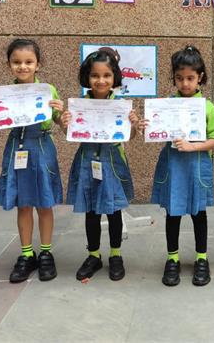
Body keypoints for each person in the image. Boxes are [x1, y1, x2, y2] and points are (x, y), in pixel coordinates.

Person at [0, 39, 64, 283]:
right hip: (17, 147)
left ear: (38, 64)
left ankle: (46, 253)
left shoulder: (48, 90)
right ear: (9, 64)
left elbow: (60, 121)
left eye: (29, 62)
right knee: (23, 204)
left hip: (41, 147)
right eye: (16, 62)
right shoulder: (4, 94)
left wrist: (61, 113)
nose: (23, 66)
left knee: (44, 203)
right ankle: (27, 254)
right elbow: (0, 121)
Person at [143, 46, 214, 286]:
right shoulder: (166, 104)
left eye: (190, 78)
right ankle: (173, 259)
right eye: (180, 78)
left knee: (199, 214)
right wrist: (147, 126)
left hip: (197, 167)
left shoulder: (207, 107)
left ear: (200, 77)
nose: (185, 83)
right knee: (173, 213)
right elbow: (156, 131)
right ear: (174, 78)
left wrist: (193, 146)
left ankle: (201, 259)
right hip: (173, 167)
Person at [62, 47, 138, 281]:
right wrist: (65, 123)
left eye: (106, 75)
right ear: (87, 77)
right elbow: (71, 133)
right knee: (91, 210)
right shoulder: (80, 105)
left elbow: (130, 136)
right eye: (95, 75)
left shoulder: (120, 105)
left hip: (112, 161)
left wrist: (133, 124)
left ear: (115, 77)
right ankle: (93, 255)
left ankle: (116, 254)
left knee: (114, 211)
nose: (101, 80)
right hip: (87, 161)